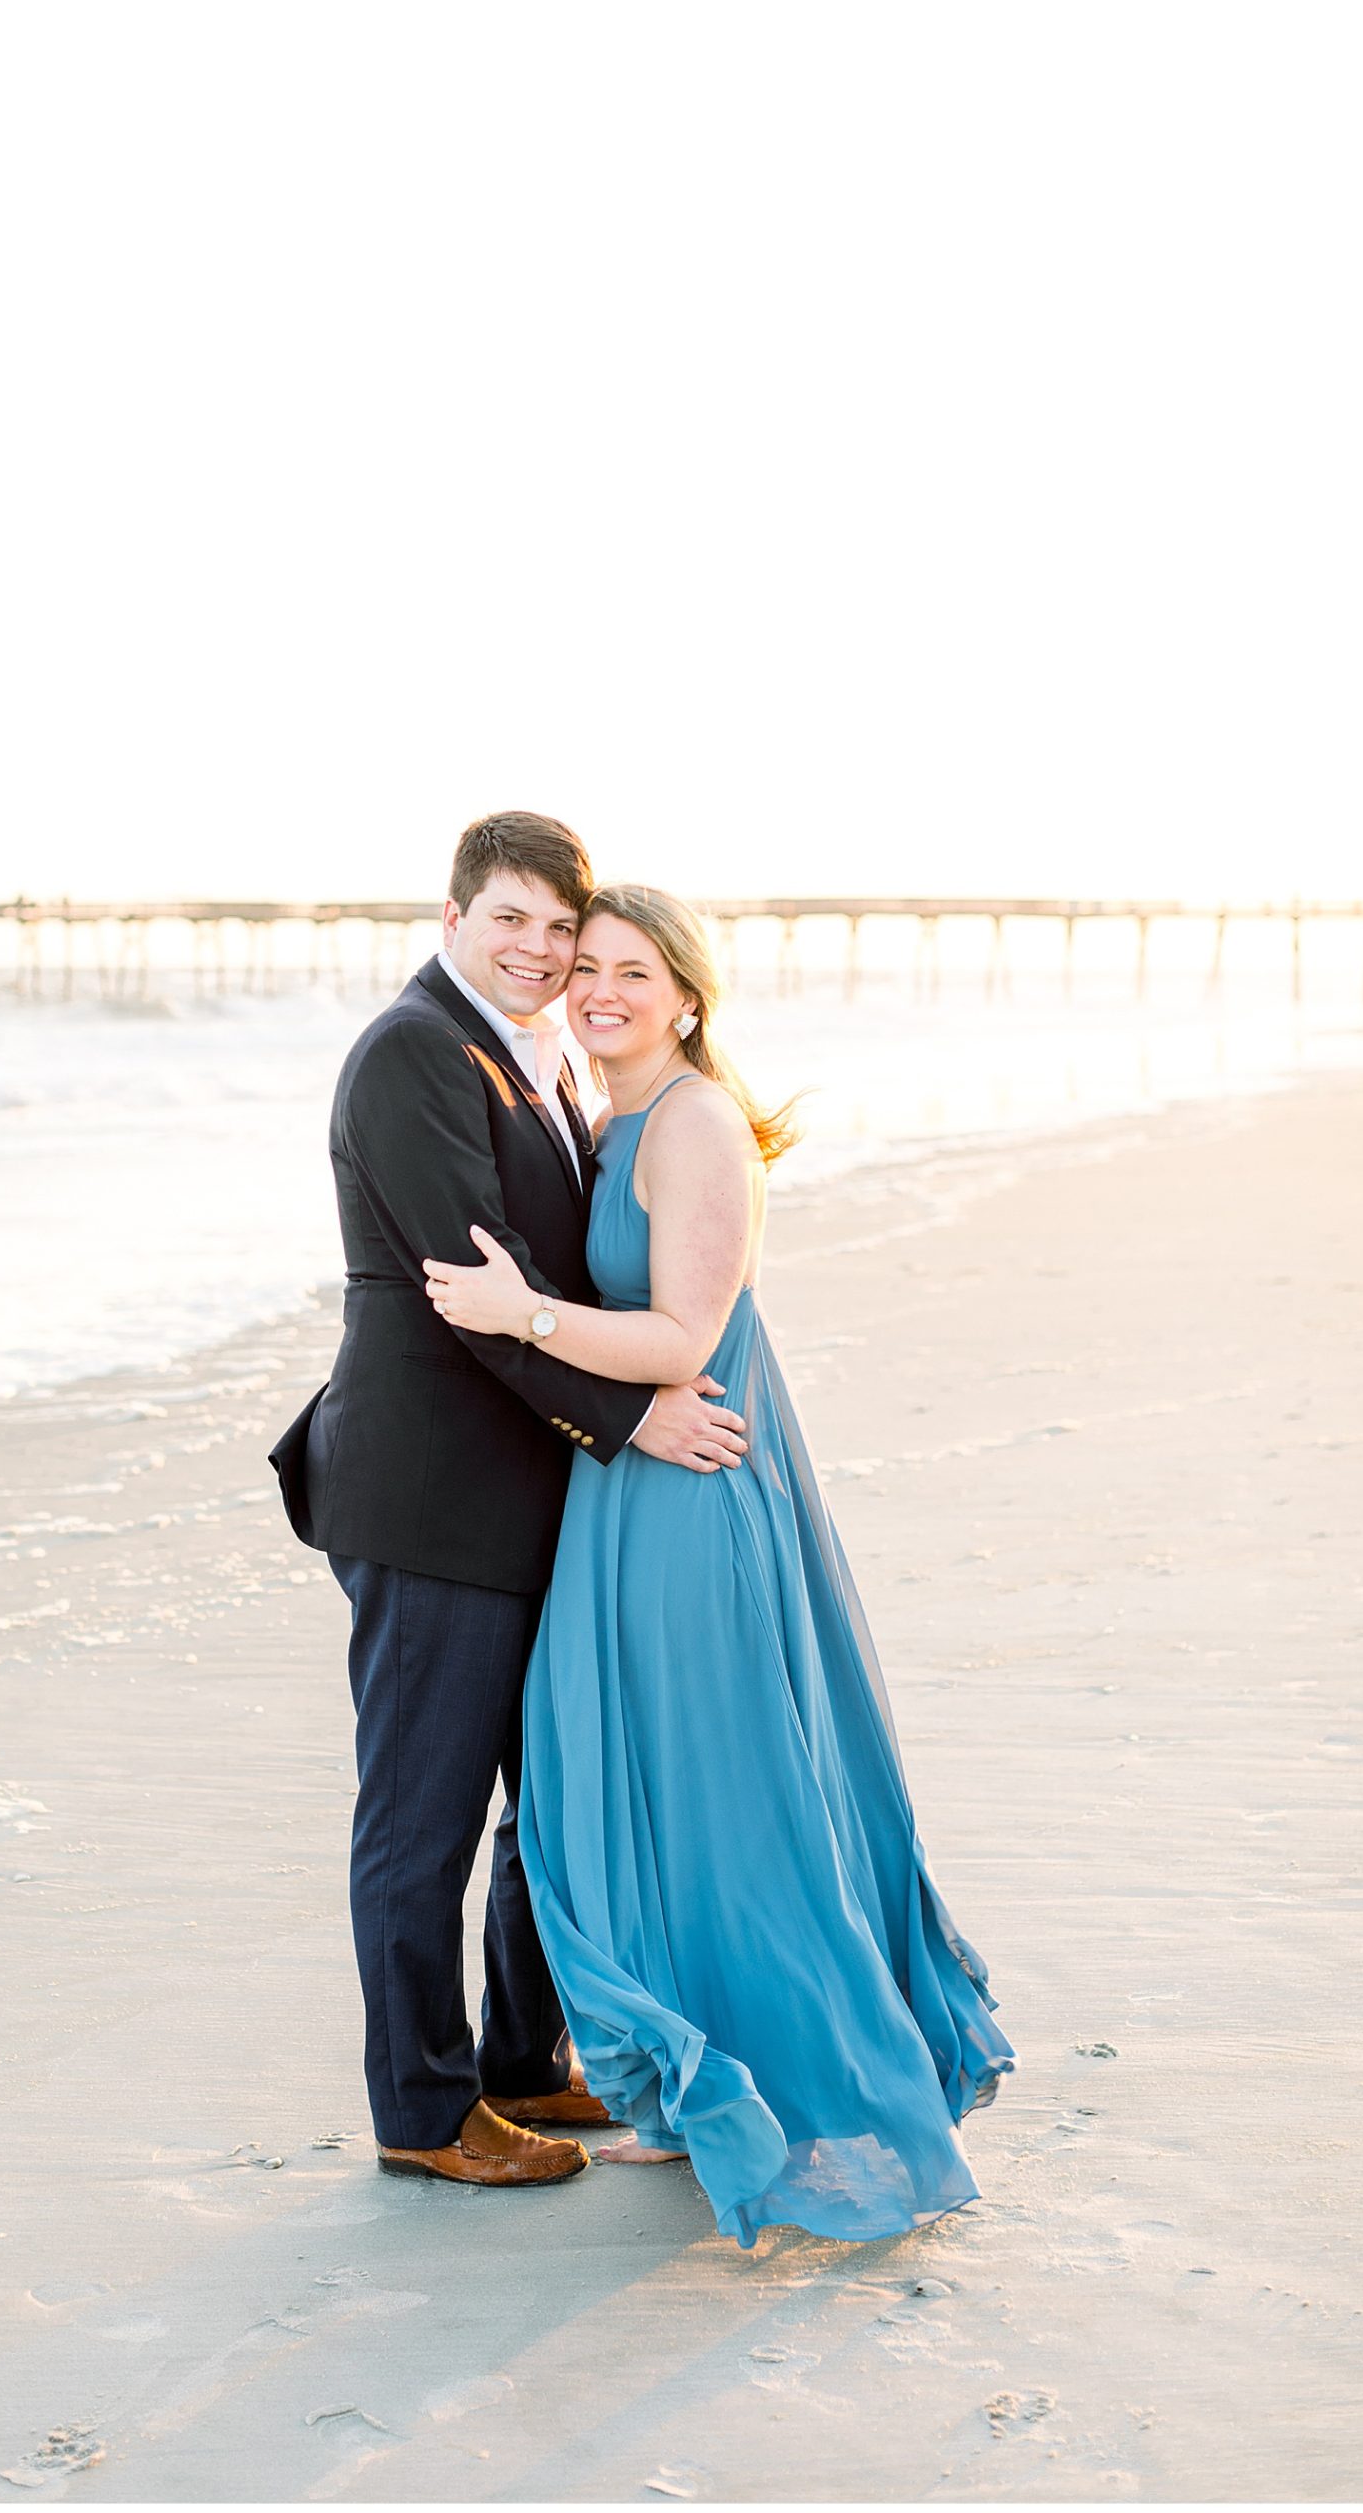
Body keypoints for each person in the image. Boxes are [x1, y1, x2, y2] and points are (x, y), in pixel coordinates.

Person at [422, 882, 1015, 2247]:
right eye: (586, 965)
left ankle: (784, 2082)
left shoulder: (693, 1123)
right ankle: (705, 2078)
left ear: (688, 995)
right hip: (629, 1478)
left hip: (690, 1483)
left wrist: (521, 1313)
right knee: (649, 1783)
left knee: (719, 1789)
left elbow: (683, 1339)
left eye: (633, 971)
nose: (599, 989)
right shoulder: (613, 1118)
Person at [269, 816, 751, 2190]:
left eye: (560, 929)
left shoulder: (531, 1054)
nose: (539, 951)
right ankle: (423, 2111)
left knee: (552, 1799)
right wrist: (634, 1412)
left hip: (535, 1492)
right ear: (453, 918)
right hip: (432, 1497)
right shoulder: (415, 1050)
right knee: (421, 1815)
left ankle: (524, 2061)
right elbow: (469, 1290)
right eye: (511, 920)